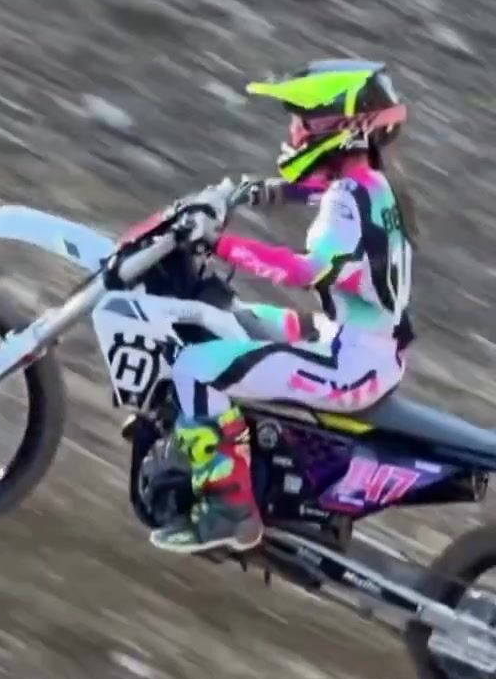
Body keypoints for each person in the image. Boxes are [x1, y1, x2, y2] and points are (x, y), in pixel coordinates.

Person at [151, 59, 418, 556]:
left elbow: (303, 270)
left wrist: (219, 244)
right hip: (358, 344)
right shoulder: (375, 186)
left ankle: (228, 510)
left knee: (196, 368)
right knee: (228, 317)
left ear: (342, 129)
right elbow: (320, 191)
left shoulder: (347, 203)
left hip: (349, 364)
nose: (294, 132)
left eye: (304, 122)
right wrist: (261, 192)